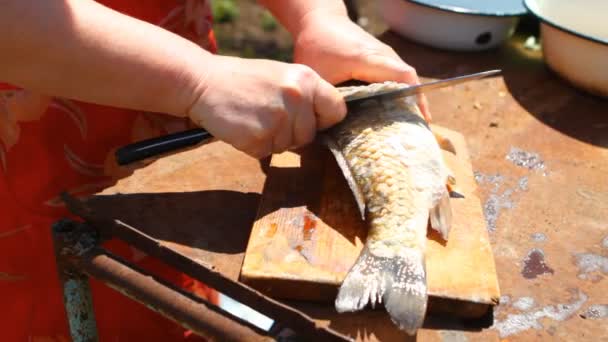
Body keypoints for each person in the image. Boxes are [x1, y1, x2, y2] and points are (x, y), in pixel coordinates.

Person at [0, 0, 430, 340]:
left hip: (180, 144)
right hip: (32, 164)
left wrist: (317, 14)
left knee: (175, 303)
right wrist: (198, 80)